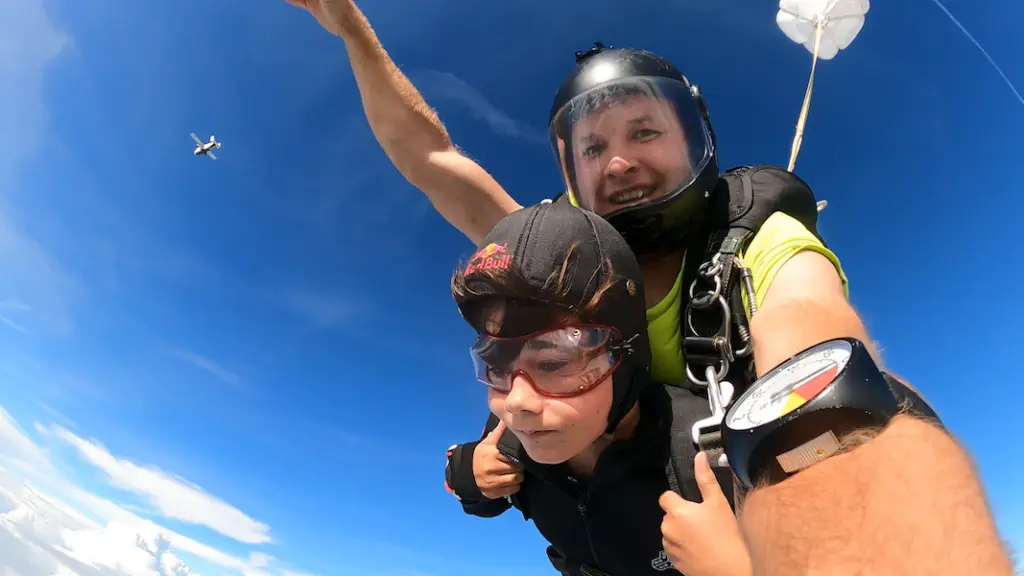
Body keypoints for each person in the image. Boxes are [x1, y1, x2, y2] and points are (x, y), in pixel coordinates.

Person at [282, 1, 1010, 573]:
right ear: (571, 175)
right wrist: (349, 27)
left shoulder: (758, 241)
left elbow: (819, 351)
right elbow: (432, 158)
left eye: (644, 131)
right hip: (614, 519)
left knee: (883, 404)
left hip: (727, 512)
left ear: (697, 138)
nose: (620, 161)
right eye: (593, 147)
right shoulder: (561, 253)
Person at [449, 199, 752, 576]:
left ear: (624, 355)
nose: (517, 402)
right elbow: (471, 488)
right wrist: (470, 474)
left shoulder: (711, 461)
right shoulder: (515, 444)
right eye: (496, 365)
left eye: (555, 363)